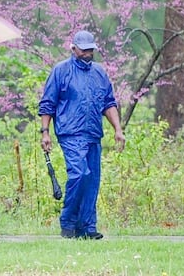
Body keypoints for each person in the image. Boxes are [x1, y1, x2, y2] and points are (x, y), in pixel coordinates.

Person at [38, 30, 125, 240]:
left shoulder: (99, 73)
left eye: (90, 50)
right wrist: (45, 132)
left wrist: (118, 130)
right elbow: (47, 103)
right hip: (70, 133)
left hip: (93, 133)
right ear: (73, 48)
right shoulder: (61, 71)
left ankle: (87, 227)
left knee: (92, 179)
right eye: (83, 50)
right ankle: (68, 222)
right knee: (80, 173)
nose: (87, 53)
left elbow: (109, 103)